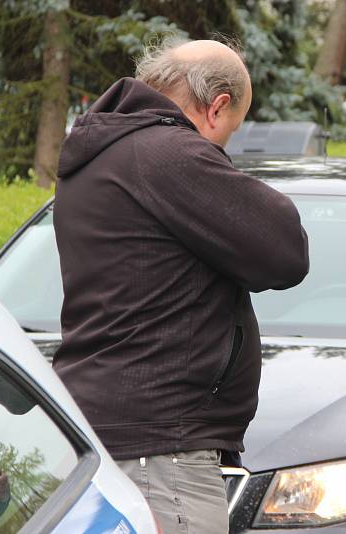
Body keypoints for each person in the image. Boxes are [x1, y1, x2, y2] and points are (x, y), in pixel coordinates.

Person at [53, 38, 309, 534]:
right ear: (217, 107)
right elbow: (284, 251)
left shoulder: (103, 153)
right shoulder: (167, 152)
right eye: (227, 137)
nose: (218, 152)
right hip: (161, 450)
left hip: (109, 431)